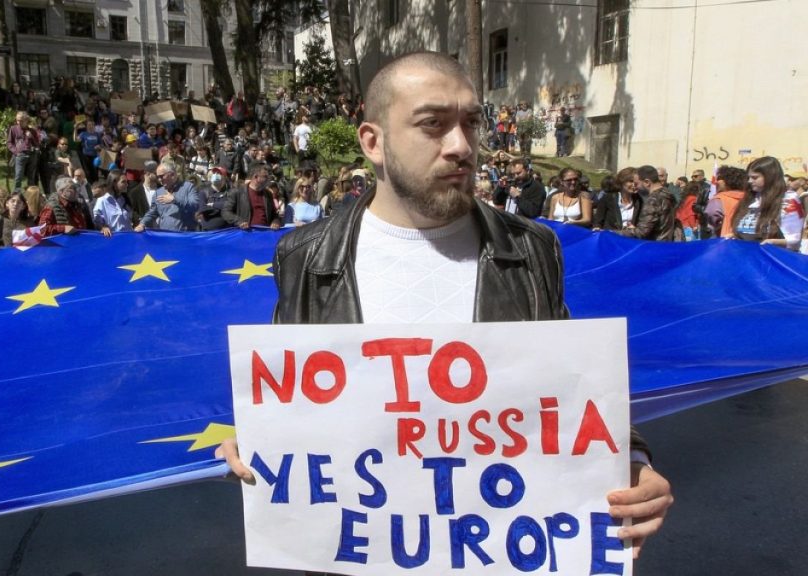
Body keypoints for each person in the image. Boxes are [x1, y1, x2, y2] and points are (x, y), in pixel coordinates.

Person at [217, 52, 671, 559]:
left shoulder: (531, 248)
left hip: (499, 555)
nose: (461, 146)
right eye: (433, 125)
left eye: (471, 123)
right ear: (373, 142)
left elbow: (563, 388)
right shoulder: (305, 255)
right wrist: (257, 439)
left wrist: (629, 462)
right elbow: (297, 401)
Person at [732, 156, 805, 250]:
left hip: (772, 260)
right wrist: (734, 237)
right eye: (748, 177)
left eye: (755, 177)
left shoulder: (788, 201)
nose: (749, 181)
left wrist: (772, 242)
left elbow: (794, 241)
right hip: (747, 259)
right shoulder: (750, 199)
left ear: (769, 177)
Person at [135, 160, 201, 232]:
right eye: (158, 177)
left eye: (162, 176)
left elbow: (195, 206)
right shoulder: (158, 192)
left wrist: (174, 200)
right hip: (166, 237)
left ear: (172, 174)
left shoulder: (188, 187)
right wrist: (142, 224)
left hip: (184, 236)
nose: (159, 180)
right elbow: (152, 213)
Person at [619, 165, 680, 242]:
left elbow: (641, 233)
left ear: (647, 182)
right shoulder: (668, 194)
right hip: (668, 244)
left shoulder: (653, 200)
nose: (635, 187)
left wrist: (613, 233)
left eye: (637, 184)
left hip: (654, 247)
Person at [222, 164, 282, 230]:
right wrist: (239, 221)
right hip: (245, 233)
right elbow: (226, 212)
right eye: (265, 177)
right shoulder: (237, 192)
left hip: (265, 234)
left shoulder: (268, 194)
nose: (268, 180)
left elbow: (274, 214)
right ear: (256, 177)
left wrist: (275, 221)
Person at [705, 165, 748, 239]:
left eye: (719, 179)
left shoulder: (719, 199)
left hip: (725, 238)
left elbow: (711, 214)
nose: (716, 182)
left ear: (726, 181)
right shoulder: (750, 198)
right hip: (745, 239)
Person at [7, 111, 41, 190]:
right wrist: (16, 151)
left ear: (26, 120)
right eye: (17, 120)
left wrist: (31, 137)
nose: (18, 122)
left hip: (32, 154)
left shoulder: (32, 130)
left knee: (31, 177)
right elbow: (9, 143)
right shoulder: (13, 128)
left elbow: (37, 144)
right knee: (18, 176)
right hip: (20, 155)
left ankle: (30, 194)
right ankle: (16, 193)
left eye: (21, 120)